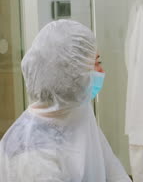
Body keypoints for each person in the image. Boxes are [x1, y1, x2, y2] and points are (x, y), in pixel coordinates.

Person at [0, 20, 131, 182]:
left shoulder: (77, 112)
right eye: (96, 63)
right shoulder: (30, 151)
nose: (102, 71)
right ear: (71, 74)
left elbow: (114, 172)